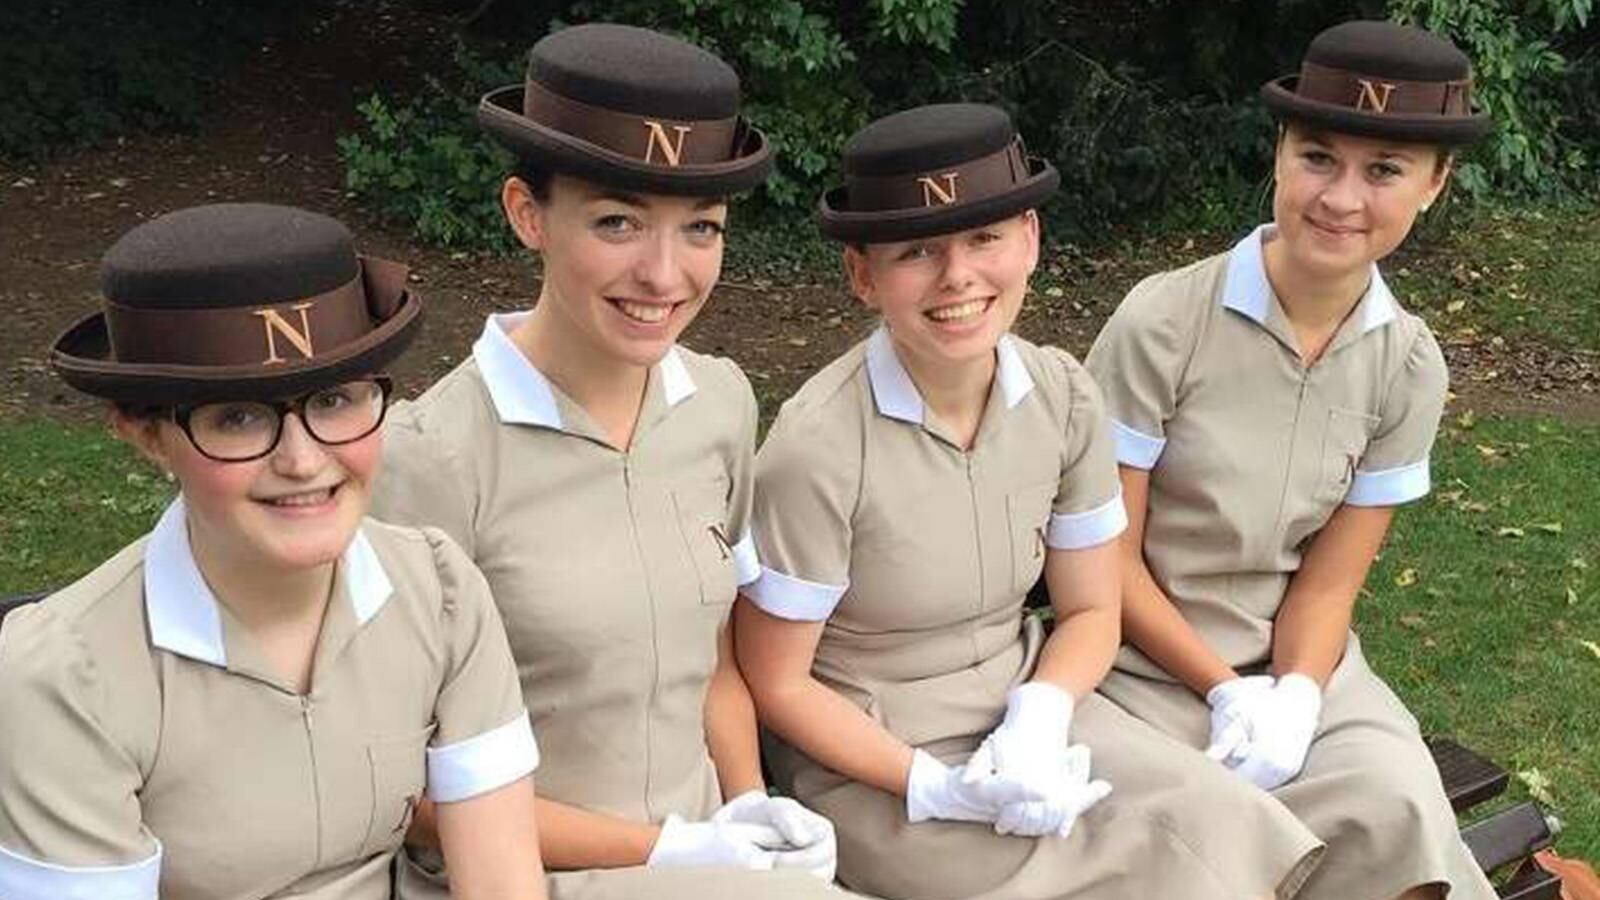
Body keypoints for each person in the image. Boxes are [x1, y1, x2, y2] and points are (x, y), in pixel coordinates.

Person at [733, 102, 1323, 900]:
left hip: (1030, 706)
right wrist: (932, 785)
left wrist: (1041, 711)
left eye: (985, 238)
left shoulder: (1063, 398)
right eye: (916, 251)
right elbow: (778, 683)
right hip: (874, 755)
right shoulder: (818, 449)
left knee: (1218, 818)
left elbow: (1091, 609)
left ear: (1031, 240)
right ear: (863, 275)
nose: (957, 276)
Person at [371, 23, 849, 900]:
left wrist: (746, 803)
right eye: (618, 222)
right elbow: (399, 783)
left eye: (700, 228)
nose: (664, 274)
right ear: (528, 214)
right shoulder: (430, 458)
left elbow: (712, 658)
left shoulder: (720, 405)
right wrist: (668, 852)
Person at [0, 203, 546, 900]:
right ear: (146, 435)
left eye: (335, 400)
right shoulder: (68, 678)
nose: (302, 459)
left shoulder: (438, 590)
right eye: (238, 417)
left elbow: (501, 881)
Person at [1084, 20, 1496, 900]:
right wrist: (1224, 693)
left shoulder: (1410, 365)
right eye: (1317, 157)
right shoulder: (1164, 324)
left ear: (1435, 184)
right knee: (1210, 846)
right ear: (1279, 152)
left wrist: (1297, 697)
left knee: (1399, 808)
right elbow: (1104, 560)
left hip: (1302, 669)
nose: (1341, 197)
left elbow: (1327, 587)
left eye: (1384, 171)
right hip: (1137, 673)